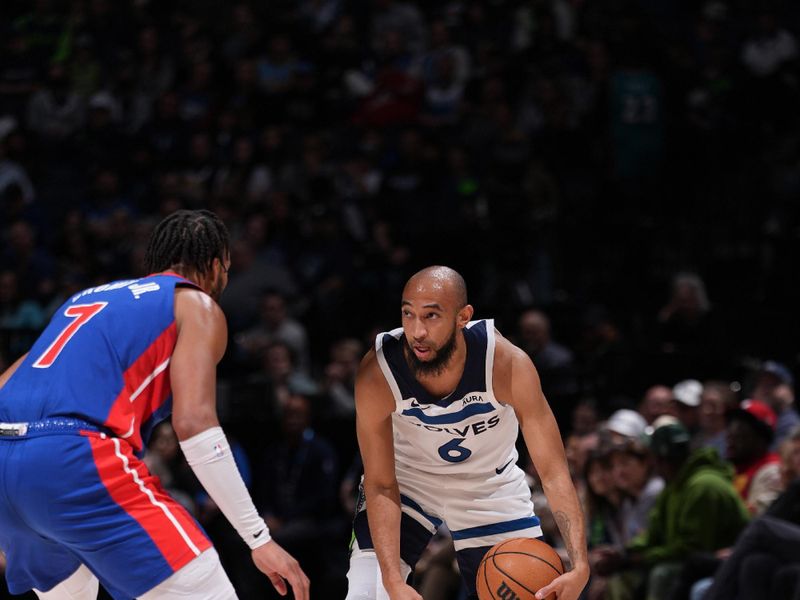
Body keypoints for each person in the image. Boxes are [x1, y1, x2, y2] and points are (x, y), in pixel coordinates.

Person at [0, 210, 309, 600]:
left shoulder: (86, 299)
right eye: (226, 272)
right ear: (215, 267)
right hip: (74, 458)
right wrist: (258, 538)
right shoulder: (194, 303)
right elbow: (194, 423)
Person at [346, 266, 588, 600]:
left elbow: (553, 471)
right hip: (408, 482)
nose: (417, 330)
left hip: (488, 486)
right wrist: (393, 581)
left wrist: (579, 565)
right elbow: (380, 482)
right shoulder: (377, 372)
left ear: (463, 317)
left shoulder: (507, 364)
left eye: (431, 316)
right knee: (367, 594)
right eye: (408, 314)